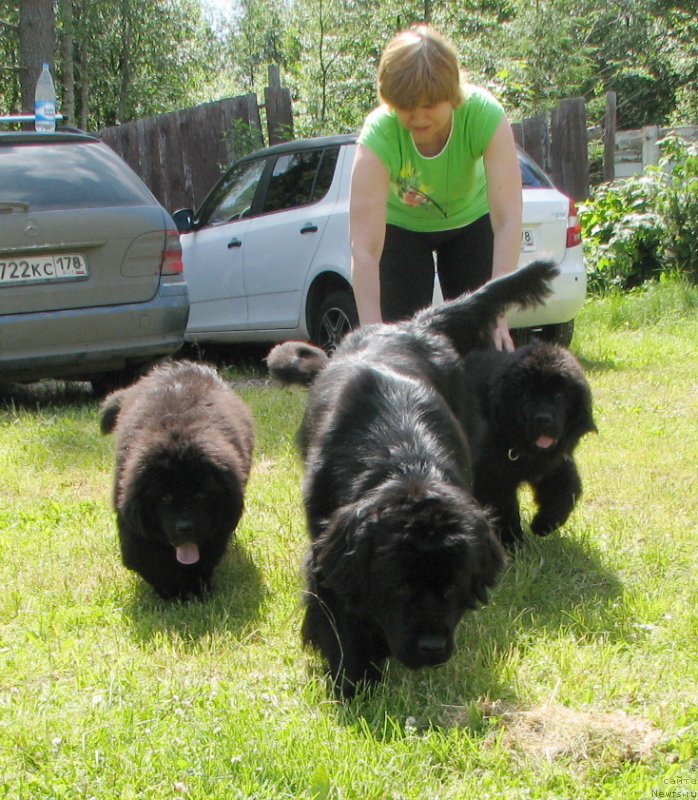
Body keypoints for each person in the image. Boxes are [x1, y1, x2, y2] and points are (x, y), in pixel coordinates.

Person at [350, 24, 522, 351]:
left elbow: (507, 219)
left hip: (469, 223)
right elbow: (365, 249)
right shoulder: (378, 136)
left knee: (482, 341)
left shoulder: (484, 116)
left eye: (428, 105)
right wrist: (371, 340)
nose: (418, 118)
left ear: (451, 94)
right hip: (401, 230)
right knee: (397, 346)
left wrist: (497, 312)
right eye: (405, 108)